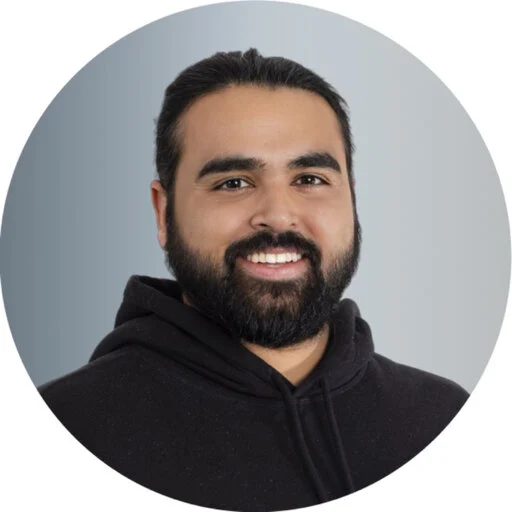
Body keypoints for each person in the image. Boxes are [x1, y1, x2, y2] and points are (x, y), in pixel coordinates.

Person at [39, 49, 469, 511]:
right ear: (164, 212)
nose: (278, 215)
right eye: (234, 183)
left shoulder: (445, 421)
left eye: (310, 178)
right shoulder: (60, 434)